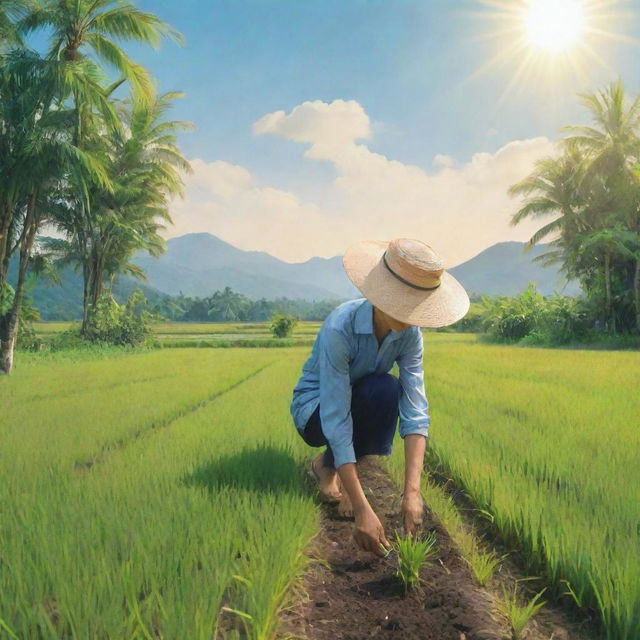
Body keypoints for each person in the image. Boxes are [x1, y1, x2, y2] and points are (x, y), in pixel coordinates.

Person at [290, 238, 470, 556]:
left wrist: (412, 492)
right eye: (405, 301)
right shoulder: (340, 328)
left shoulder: (410, 335)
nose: (411, 313)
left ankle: (329, 465)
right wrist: (361, 505)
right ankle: (335, 473)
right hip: (316, 410)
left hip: (359, 401)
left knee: (385, 389)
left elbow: (415, 409)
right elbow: (335, 413)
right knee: (361, 400)